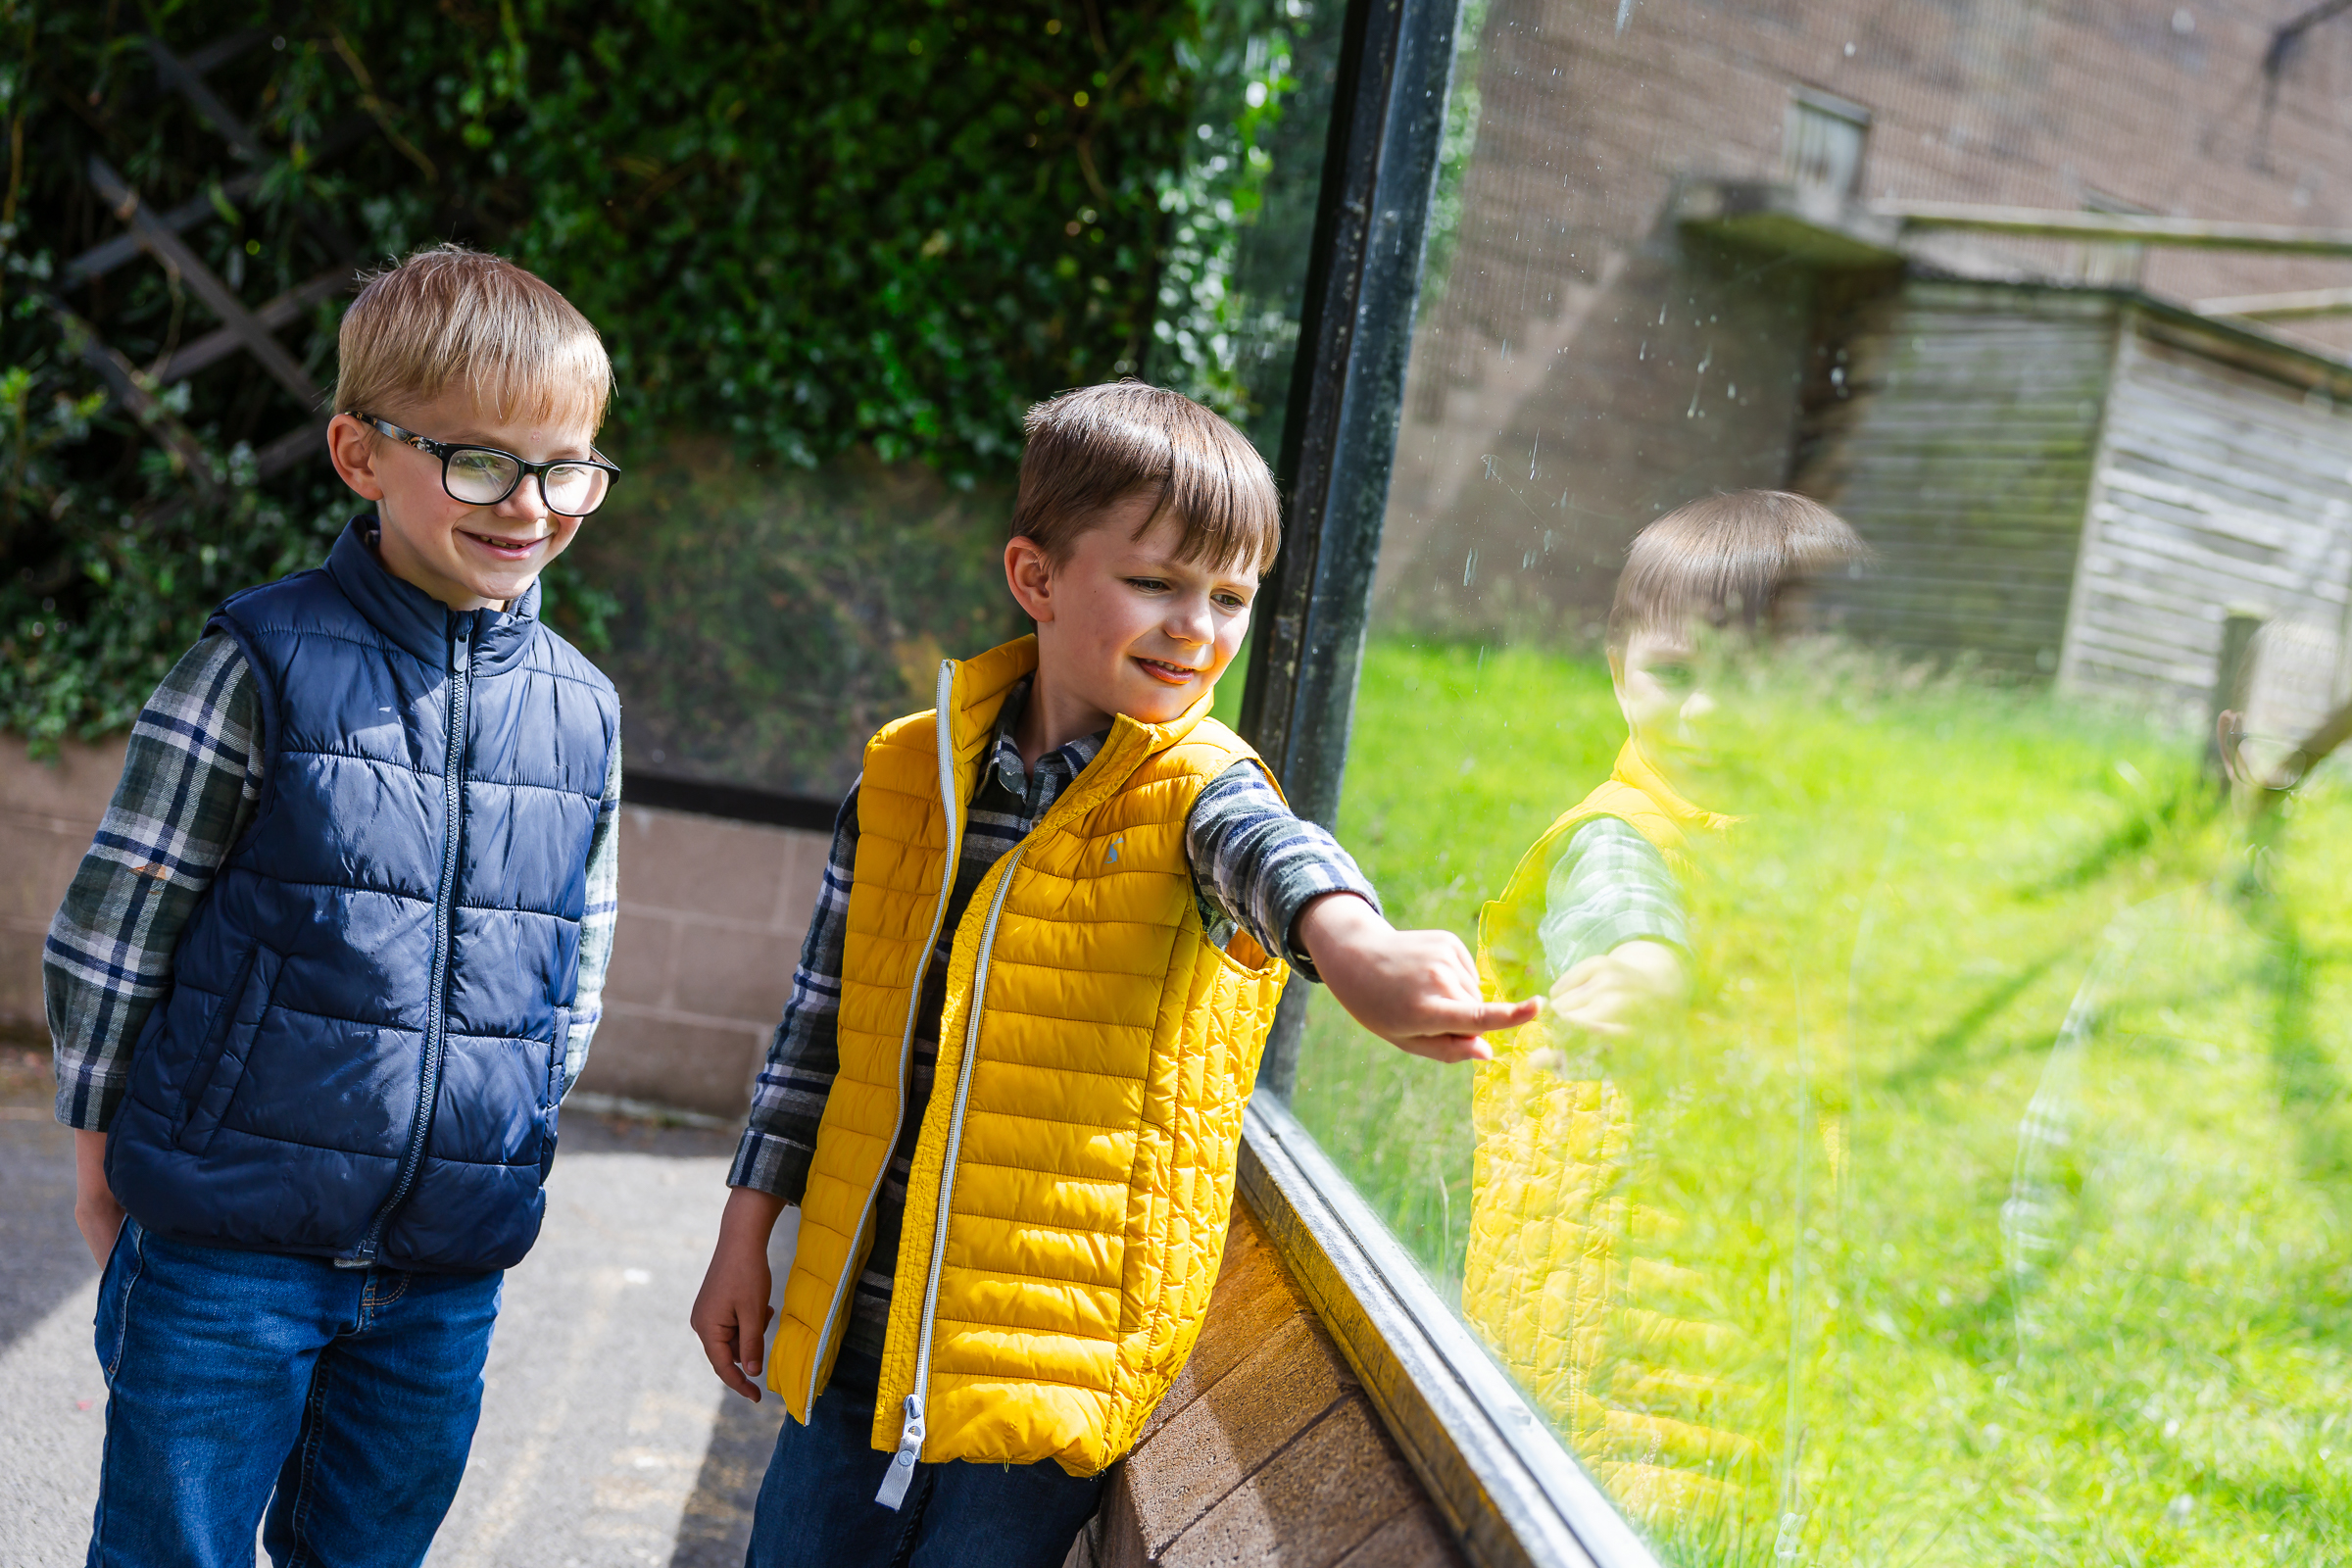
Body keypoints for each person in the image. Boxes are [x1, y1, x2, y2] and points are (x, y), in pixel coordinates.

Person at [688, 380, 1538, 1567]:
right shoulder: (908, 776)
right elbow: (817, 1030)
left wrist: (1362, 952)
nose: (1199, 627)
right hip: (853, 1339)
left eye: (1231, 596)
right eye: (1156, 582)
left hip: (1047, 1372)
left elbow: (1281, 862)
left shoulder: (1202, 789)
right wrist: (745, 1235)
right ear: (1035, 578)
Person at [43, 244, 625, 1568]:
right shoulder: (257, 657)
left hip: (444, 1267)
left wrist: (502, 1126)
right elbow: (116, 926)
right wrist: (98, 1152)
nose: (529, 504)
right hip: (225, 1241)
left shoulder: (583, 707)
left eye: (567, 466)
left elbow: (577, 963)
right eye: (478, 461)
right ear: (360, 455)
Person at [1460, 490, 1867, 1526]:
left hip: (1722, 1265)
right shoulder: (1624, 834)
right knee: (1625, 1506)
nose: (1710, 714)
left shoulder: (1784, 838)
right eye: (1677, 676)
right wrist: (1642, 976)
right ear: (1617, 669)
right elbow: (1625, 924)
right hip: (1616, 1294)